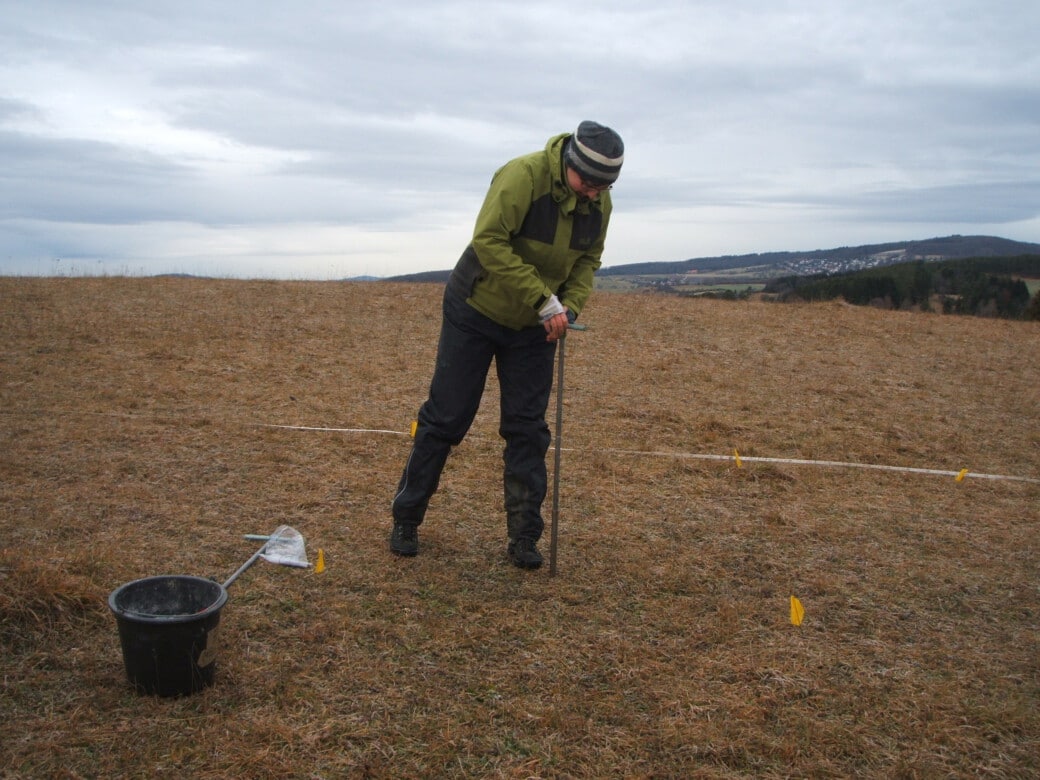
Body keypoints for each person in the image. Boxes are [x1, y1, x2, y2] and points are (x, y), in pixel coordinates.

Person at [390, 120, 624, 569]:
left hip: (537, 328)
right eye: (588, 182)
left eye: (603, 186)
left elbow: (589, 259)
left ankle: (524, 537)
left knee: (527, 429)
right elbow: (489, 241)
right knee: (446, 417)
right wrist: (542, 298)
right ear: (570, 163)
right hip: (475, 309)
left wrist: (569, 307)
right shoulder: (523, 176)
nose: (594, 193)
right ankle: (406, 517)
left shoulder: (599, 202)